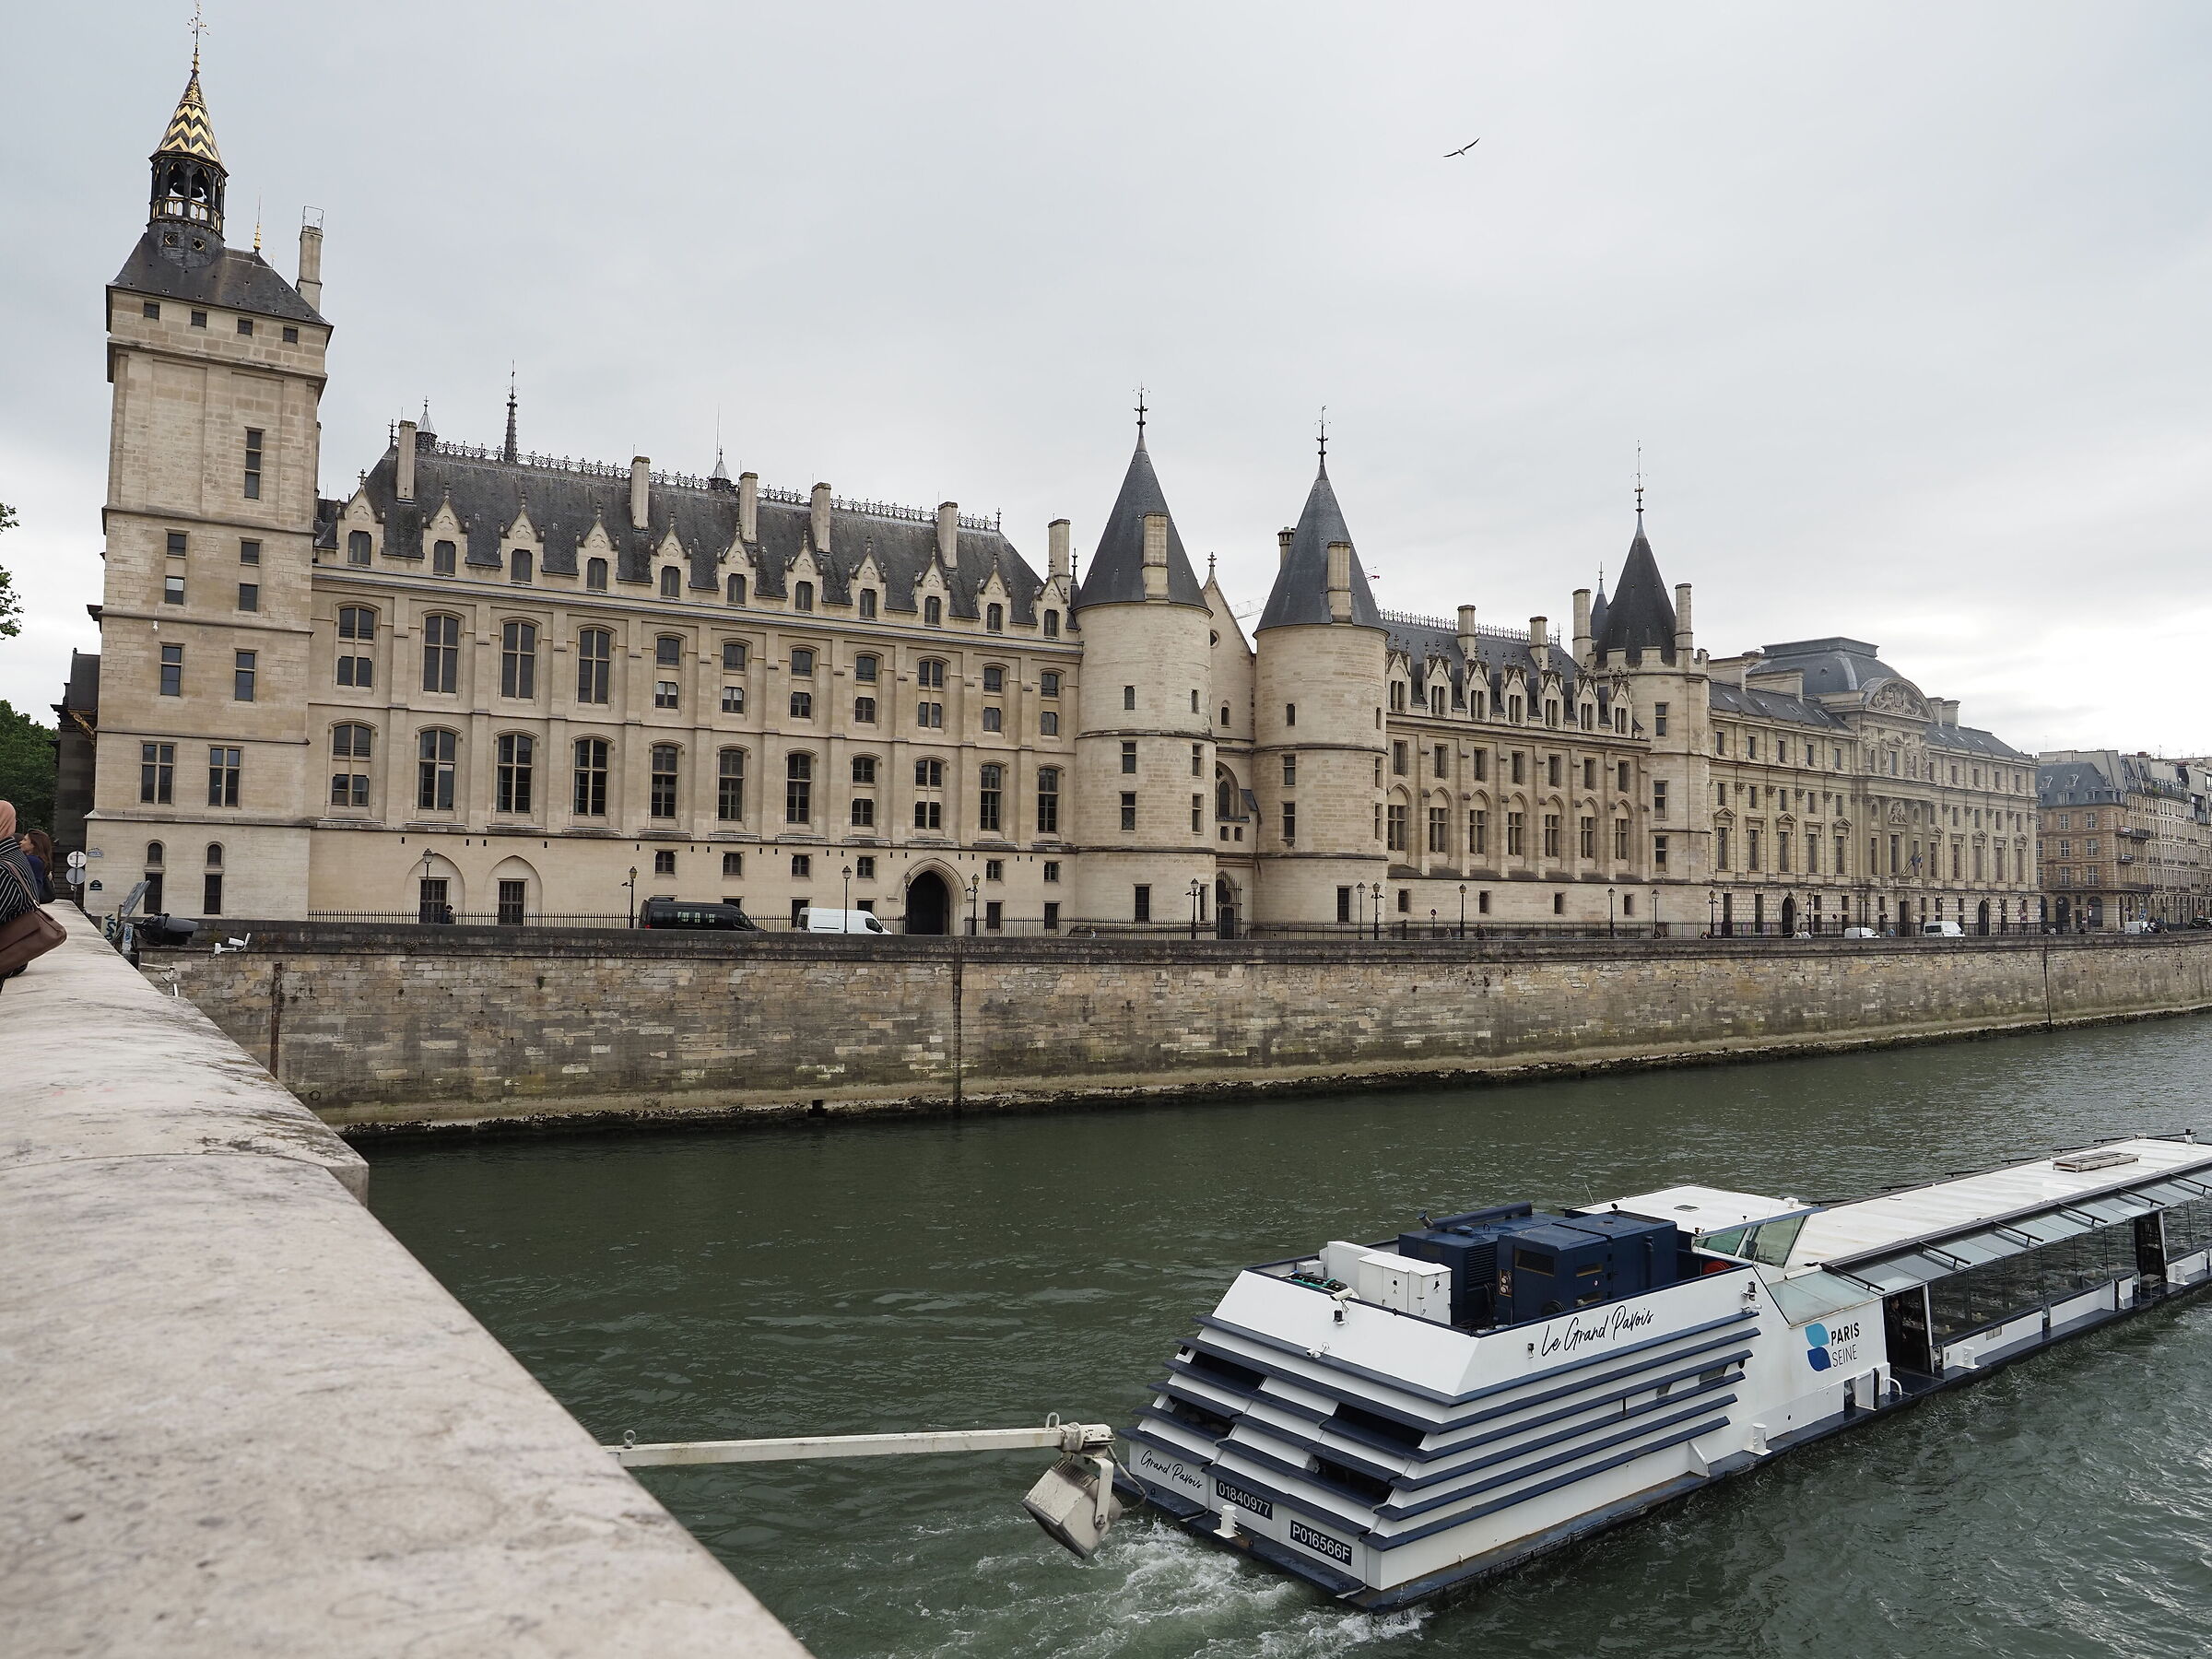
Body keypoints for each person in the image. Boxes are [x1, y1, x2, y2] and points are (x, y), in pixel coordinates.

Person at [23, 828, 54, 902]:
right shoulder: (41, 860)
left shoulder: (32, 861)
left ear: (34, 844)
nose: (21, 842)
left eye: (24, 840)